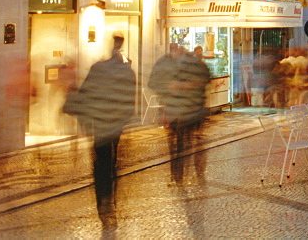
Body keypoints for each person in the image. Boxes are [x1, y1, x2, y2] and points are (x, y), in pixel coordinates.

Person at [64, 33, 135, 230]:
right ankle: (110, 200)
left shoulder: (98, 68)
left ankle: (104, 201)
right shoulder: (127, 71)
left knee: (102, 161)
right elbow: (131, 98)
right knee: (111, 161)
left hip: (101, 123)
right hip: (116, 123)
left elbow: (86, 93)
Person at [148, 43, 211, 185]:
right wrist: (168, 87)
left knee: (187, 142)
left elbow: (206, 79)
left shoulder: (194, 63)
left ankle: (186, 173)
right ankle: (177, 175)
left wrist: (188, 86)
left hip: (192, 112)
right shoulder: (164, 62)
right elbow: (152, 83)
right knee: (176, 144)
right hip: (174, 111)